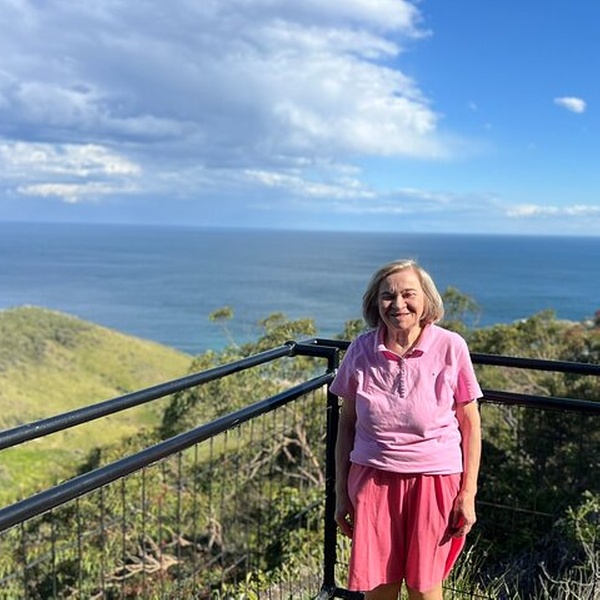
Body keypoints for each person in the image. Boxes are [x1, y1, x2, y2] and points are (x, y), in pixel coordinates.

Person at [331, 259, 482, 600]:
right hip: (372, 480)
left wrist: (467, 494)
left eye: (408, 294)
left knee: (424, 589)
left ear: (426, 299)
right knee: (378, 589)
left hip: (434, 481)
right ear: (375, 303)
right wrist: (341, 492)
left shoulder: (451, 347)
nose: (398, 304)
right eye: (387, 296)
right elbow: (347, 424)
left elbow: (470, 423)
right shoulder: (360, 350)